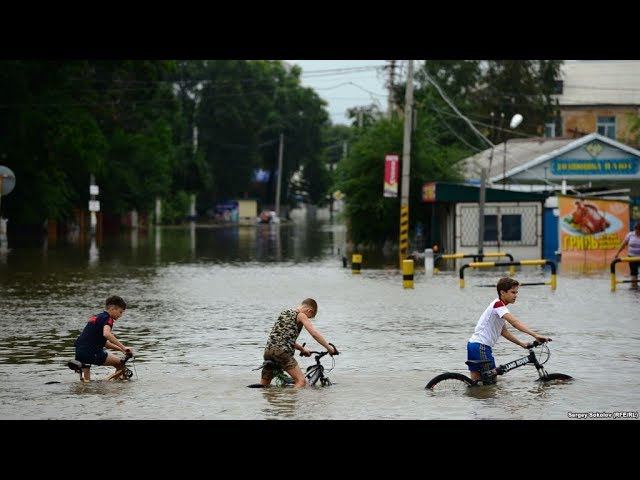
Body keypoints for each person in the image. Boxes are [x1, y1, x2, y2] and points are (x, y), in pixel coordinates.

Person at [467, 277, 551, 383]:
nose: (516, 295)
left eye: (516, 292)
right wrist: (535, 335)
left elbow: (503, 331)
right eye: (513, 292)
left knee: (476, 384)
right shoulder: (498, 305)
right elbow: (515, 323)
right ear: (502, 292)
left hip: (473, 345)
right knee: (491, 384)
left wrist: (522, 344)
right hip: (481, 347)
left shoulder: (499, 307)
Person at [258, 298, 337, 388]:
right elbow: (314, 333)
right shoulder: (301, 315)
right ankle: (290, 401)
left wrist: (302, 349)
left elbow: (283, 338)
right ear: (309, 310)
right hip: (282, 353)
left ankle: (267, 401)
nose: (308, 318)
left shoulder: (285, 312)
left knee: (264, 386)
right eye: (310, 317)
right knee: (301, 381)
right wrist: (329, 348)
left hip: (268, 351)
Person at [73, 295, 132, 382]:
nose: (121, 315)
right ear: (112, 309)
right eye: (120, 312)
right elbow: (107, 334)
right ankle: (115, 388)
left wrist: (121, 349)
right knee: (120, 363)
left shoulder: (98, 317)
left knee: (86, 383)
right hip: (91, 352)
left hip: (80, 352)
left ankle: (85, 389)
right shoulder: (108, 319)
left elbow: (104, 343)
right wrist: (124, 347)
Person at [613, 221, 640, 289]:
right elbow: (623, 244)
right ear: (635, 229)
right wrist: (617, 253)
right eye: (636, 229)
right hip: (631, 257)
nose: (637, 231)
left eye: (639, 230)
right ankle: (634, 286)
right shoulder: (630, 235)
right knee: (634, 273)